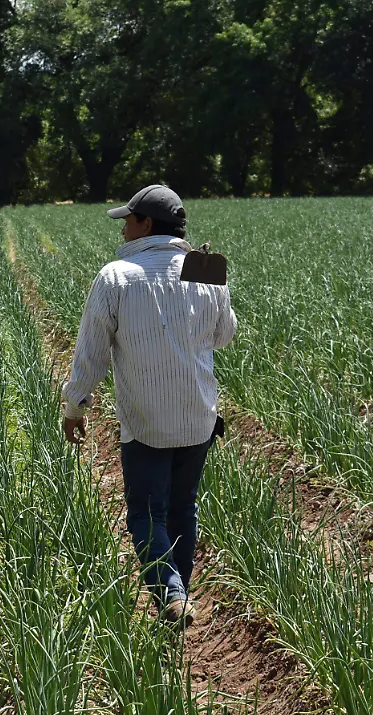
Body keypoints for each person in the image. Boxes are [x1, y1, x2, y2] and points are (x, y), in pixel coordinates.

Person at [61, 184, 237, 627]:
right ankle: (180, 594)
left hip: (146, 422)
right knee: (183, 507)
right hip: (199, 415)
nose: (123, 228)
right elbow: (224, 335)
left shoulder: (117, 275)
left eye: (129, 219)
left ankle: (171, 595)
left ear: (147, 224)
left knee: (145, 513)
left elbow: (92, 352)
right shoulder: (206, 268)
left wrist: (75, 405)